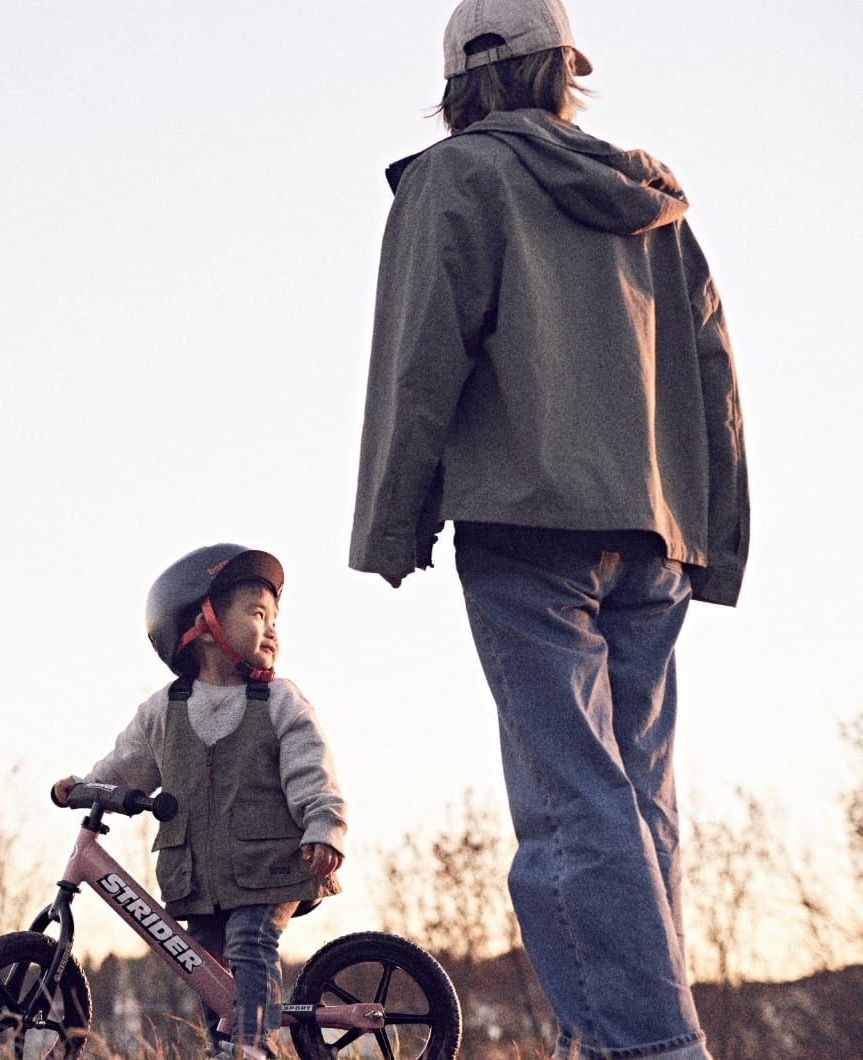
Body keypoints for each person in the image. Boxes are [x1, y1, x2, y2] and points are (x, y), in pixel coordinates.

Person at [348, 1, 749, 1058]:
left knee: (572, 805)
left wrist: (392, 527)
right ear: (564, 71)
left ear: (457, 85)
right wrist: (715, 541)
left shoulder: (458, 179)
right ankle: (610, 1038)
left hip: (527, 524)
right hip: (655, 538)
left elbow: (418, 361)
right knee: (636, 806)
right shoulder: (652, 204)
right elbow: (714, 382)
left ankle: (647, 1048)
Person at [52, 544, 347, 1060]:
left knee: (249, 943)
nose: (273, 629)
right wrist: (87, 785)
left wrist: (323, 826)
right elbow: (129, 763)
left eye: (274, 618)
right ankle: (224, 1046)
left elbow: (310, 767)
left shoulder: (281, 702)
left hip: (270, 866)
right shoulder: (165, 709)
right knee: (202, 962)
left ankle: (253, 1045)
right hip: (198, 876)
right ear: (203, 623)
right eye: (258, 615)